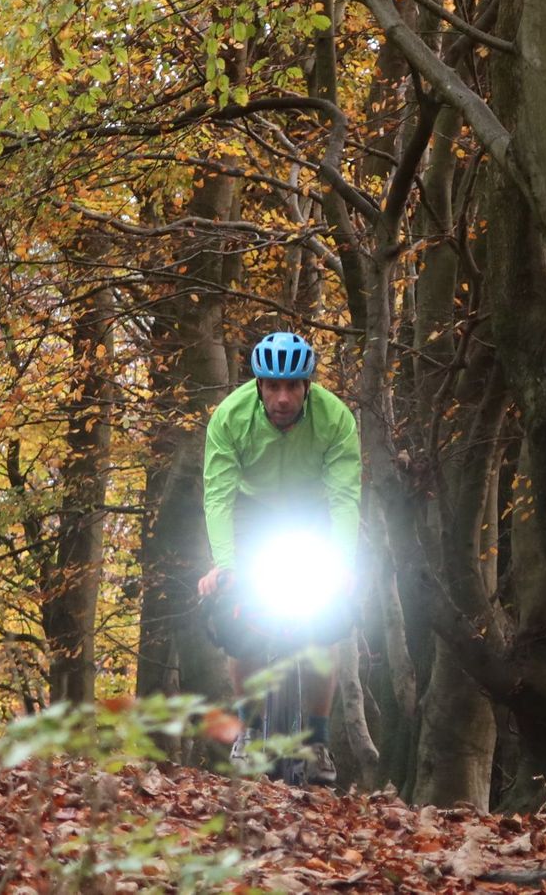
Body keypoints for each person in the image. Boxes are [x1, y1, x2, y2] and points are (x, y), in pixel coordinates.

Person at [197, 330, 361, 784]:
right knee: (239, 622)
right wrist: (225, 564)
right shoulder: (230, 419)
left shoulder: (335, 419)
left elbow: (345, 498)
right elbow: (219, 498)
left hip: (312, 515)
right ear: (258, 385)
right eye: (273, 386)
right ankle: (249, 732)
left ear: (308, 386)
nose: (283, 397)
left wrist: (343, 564)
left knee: (327, 620)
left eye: (293, 387)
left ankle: (317, 740)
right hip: (253, 515)